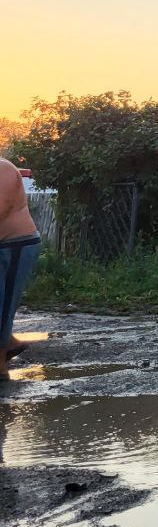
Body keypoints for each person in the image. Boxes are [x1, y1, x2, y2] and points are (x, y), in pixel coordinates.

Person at [1, 158, 41, 383]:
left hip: (15, 245)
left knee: (3, 302)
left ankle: (0, 365)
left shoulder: (3, 169)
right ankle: (11, 342)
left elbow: (1, 208)